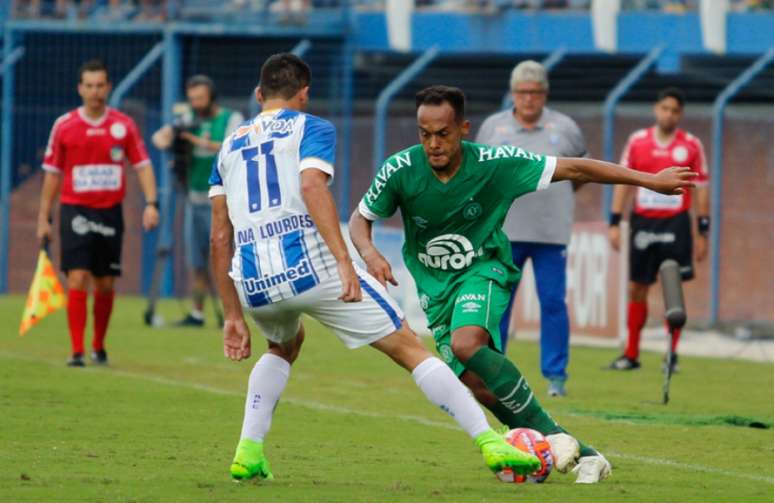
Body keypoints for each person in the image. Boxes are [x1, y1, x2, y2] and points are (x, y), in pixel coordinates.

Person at [209, 53, 543, 482]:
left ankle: (248, 451)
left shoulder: (229, 144)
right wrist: (346, 264)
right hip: (310, 266)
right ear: (304, 94)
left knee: (283, 347)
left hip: (253, 278)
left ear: (259, 95)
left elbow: (220, 235)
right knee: (409, 346)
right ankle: (491, 442)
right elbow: (312, 186)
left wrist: (233, 315)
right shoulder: (312, 127)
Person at [349, 85, 695, 483]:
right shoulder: (400, 170)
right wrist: (369, 252)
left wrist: (649, 181)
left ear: (463, 128)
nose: (433, 144)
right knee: (475, 386)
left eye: (442, 133)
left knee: (467, 343)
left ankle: (553, 420)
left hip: (486, 268)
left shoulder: (496, 163)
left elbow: (577, 168)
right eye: (424, 134)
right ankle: (579, 450)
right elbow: (360, 217)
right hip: (435, 288)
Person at [36, 59, 160, 367]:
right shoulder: (64, 126)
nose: (94, 91)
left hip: (110, 213)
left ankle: (98, 346)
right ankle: (76, 350)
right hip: (75, 210)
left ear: (108, 87)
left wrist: (151, 203)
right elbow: (52, 173)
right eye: (89, 85)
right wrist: (43, 217)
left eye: (100, 85)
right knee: (77, 278)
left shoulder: (123, 125)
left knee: (105, 283)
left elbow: (143, 164)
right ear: (80, 88)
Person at [476, 60, 587, 397]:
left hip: (551, 233)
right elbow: (480, 174)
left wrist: (556, 197)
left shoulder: (564, 128)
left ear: (545, 94)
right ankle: (494, 369)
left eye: (535, 92)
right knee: (499, 303)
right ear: (512, 94)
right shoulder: (493, 128)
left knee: (553, 302)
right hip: (504, 232)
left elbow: (580, 172)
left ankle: (556, 376)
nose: (528, 99)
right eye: (522, 92)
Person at [607, 87, 710, 372]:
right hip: (643, 223)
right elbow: (622, 181)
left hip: (675, 224)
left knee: (672, 289)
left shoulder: (691, 145)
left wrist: (703, 231)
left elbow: (701, 189)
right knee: (636, 287)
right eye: (665, 108)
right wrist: (614, 221)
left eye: (675, 110)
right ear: (656, 109)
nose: (669, 114)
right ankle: (631, 354)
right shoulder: (638, 142)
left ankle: (671, 356)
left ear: (681, 115)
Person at [153, 75, 243, 327]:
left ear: (211, 96)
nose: (196, 104)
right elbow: (159, 138)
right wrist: (172, 140)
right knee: (196, 260)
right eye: (192, 99)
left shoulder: (231, 119)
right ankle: (197, 312)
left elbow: (231, 147)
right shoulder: (188, 119)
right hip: (194, 197)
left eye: (200, 98)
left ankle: (231, 312)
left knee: (225, 255)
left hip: (223, 201)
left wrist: (195, 141)